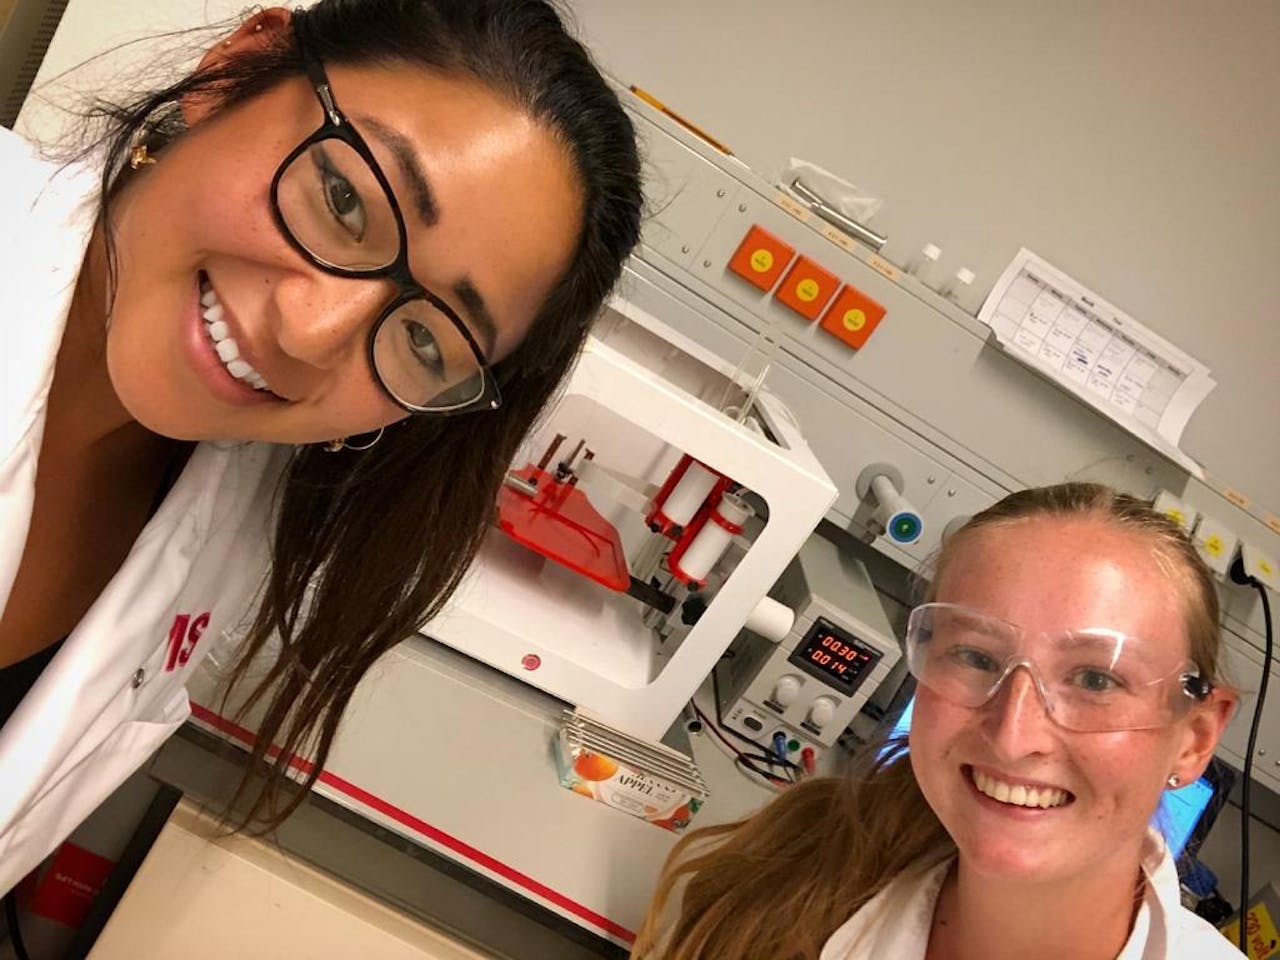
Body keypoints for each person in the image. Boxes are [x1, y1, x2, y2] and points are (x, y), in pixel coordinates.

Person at [0, 0, 641, 894]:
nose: (309, 334)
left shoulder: (225, 521)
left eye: (426, 340)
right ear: (235, 70)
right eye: (345, 200)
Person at [634, 482, 1240, 960]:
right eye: (976, 657)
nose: (1013, 736)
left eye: (1095, 680)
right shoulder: (786, 873)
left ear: (1195, 739)